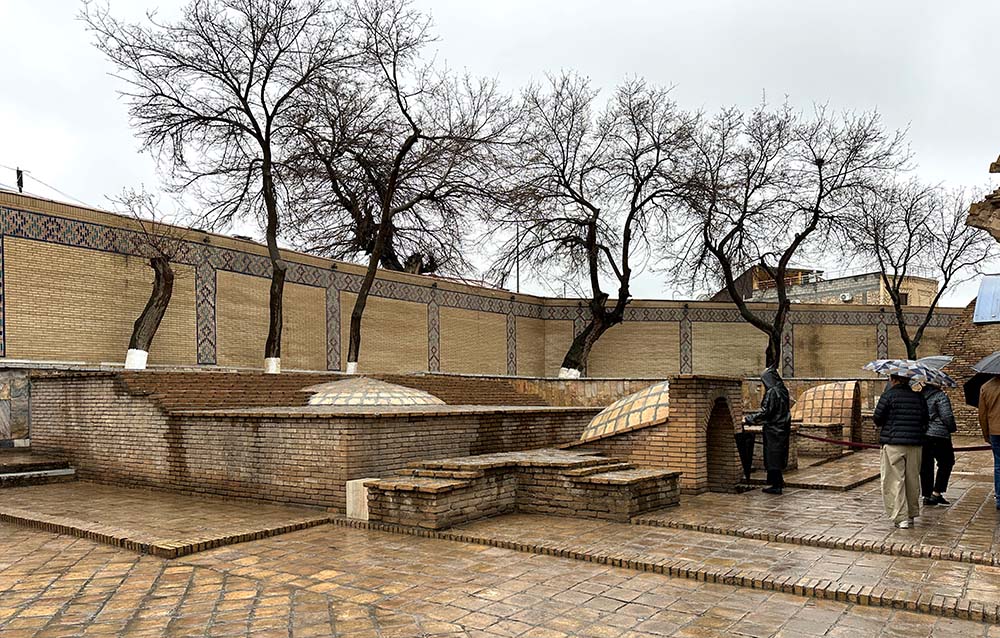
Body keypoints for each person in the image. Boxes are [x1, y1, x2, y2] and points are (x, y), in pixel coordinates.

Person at [873, 374, 929, 528]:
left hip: (893, 443)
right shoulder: (918, 398)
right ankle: (911, 513)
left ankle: (900, 516)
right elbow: (925, 419)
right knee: (912, 479)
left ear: (893, 380)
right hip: (915, 443)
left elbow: (877, 418)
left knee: (894, 480)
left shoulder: (888, 396)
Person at [745, 367, 791, 495]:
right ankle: (778, 481)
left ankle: (776, 486)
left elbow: (766, 412)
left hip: (774, 430)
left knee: (773, 458)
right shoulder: (783, 390)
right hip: (782, 428)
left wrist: (749, 419)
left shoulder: (772, 392)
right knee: (777, 456)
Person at [919, 382, 957, 506]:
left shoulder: (920, 396)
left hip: (924, 435)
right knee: (947, 462)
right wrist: (951, 428)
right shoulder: (940, 396)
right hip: (939, 434)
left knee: (926, 466)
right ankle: (936, 493)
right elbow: (946, 416)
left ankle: (926, 494)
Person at [979, 375, 1000, 510]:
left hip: (995, 430)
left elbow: (982, 414)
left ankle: (999, 497)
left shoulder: (986, 387)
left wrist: (986, 434)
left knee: (998, 464)